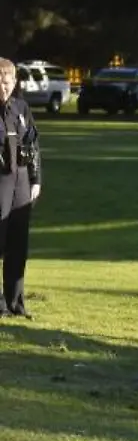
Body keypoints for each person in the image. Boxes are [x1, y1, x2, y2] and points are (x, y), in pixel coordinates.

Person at [0, 58, 40, 318]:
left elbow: (33, 144)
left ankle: (15, 302)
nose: (2, 88)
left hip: (21, 182)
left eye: (6, 82)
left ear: (14, 82)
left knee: (18, 244)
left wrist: (36, 179)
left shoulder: (21, 108)